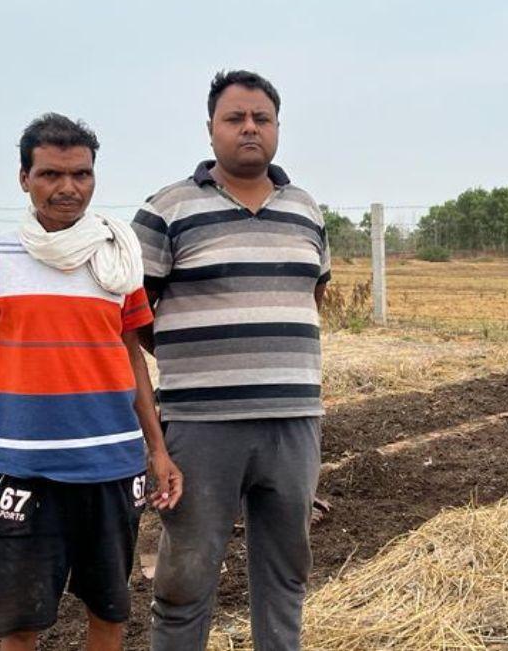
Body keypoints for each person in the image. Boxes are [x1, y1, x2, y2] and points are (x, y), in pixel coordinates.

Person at [0, 113, 182, 651]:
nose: (68, 188)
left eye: (81, 174)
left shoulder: (117, 258)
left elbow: (132, 358)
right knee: (19, 623)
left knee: (108, 610)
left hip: (113, 467)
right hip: (28, 468)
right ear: (24, 178)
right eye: (51, 174)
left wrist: (158, 448)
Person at [132, 70, 330, 651]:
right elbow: (133, 314)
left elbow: (310, 296)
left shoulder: (306, 209)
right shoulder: (167, 209)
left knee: (287, 567)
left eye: (261, 119)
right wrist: (190, 351)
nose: (249, 128)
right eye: (235, 118)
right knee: (187, 573)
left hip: (293, 421)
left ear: (276, 128)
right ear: (211, 129)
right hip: (201, 426)